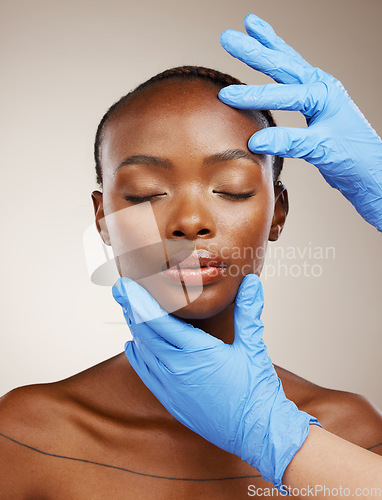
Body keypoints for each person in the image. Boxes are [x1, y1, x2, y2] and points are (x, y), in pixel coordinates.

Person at [0, 19, 381, 500]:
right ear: (102, 219)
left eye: (232, 189)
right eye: (145, 194)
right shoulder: (23, 435)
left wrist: (281, 438)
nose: (190, 221)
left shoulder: (353, 433)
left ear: (277, 212)